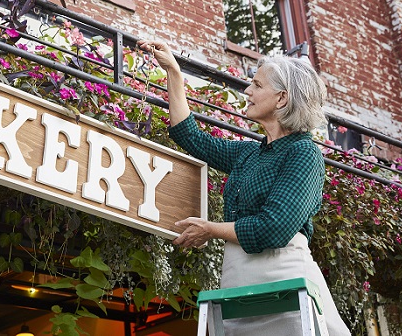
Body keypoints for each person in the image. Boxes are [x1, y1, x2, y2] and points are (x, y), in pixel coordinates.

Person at [137, 39, 350, 336]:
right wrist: (174, 71)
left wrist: (210, 229)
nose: (247, 91)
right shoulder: (249, 154)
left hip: (287, 285)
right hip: (239, 282)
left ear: (281, 99)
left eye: (256, 85)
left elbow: (273, 229)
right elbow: (191, 137)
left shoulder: (303, 153)